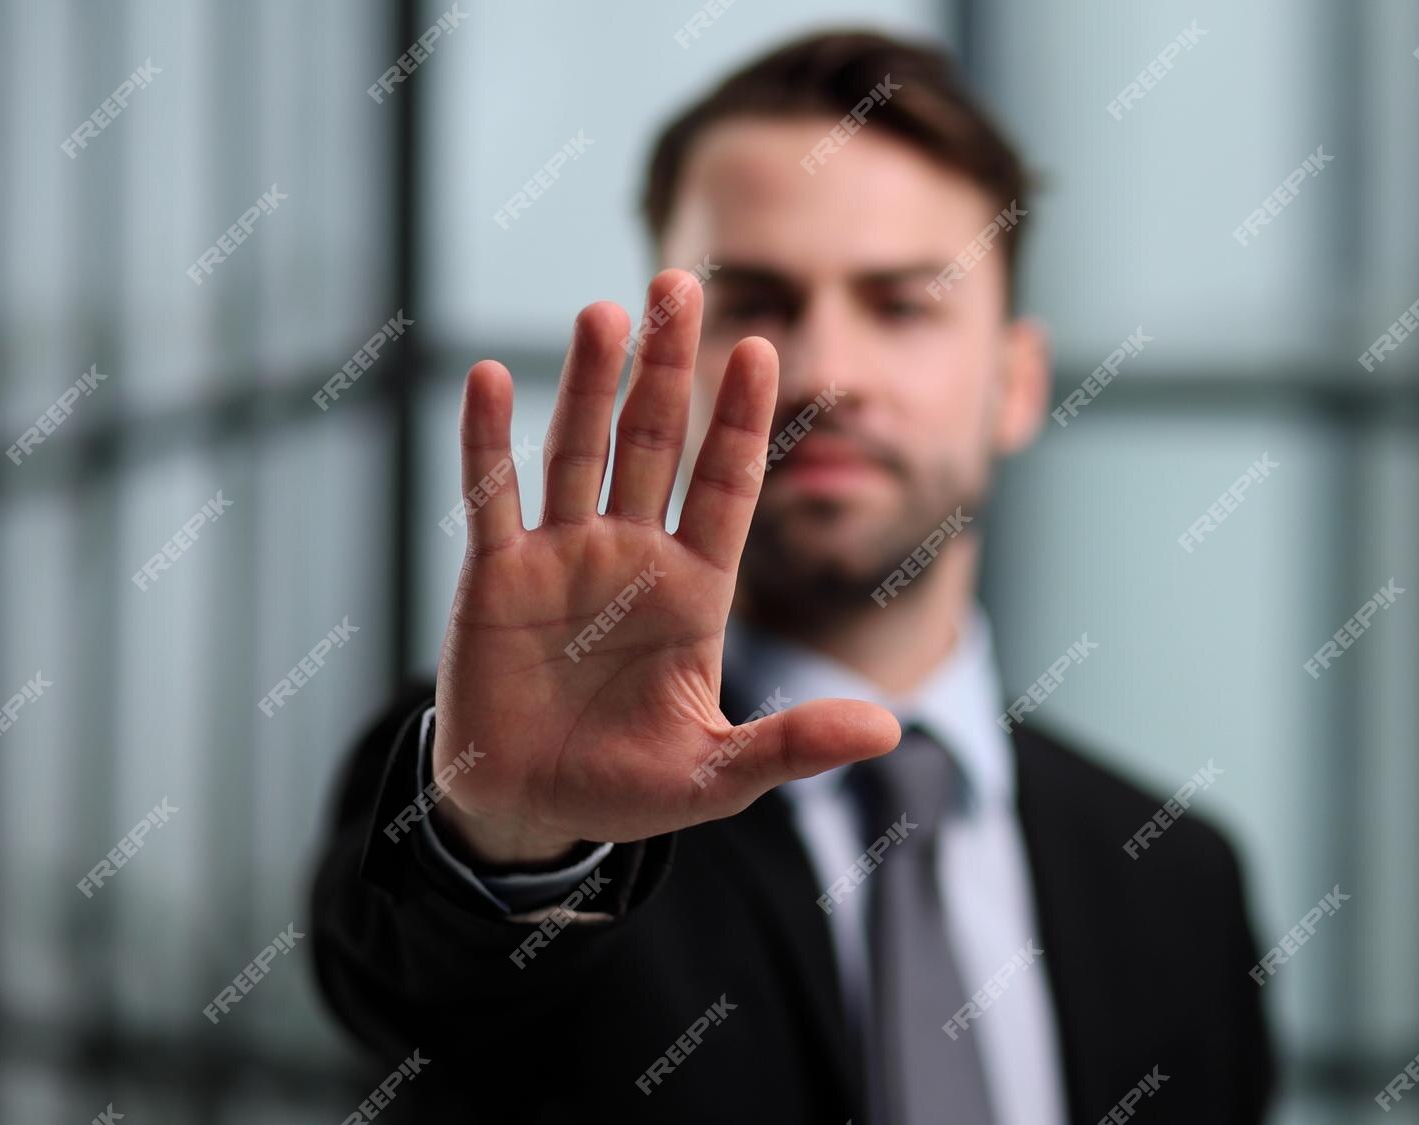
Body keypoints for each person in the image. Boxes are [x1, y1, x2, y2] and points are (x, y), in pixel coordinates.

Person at [310, 28, 1275, 1124]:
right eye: (755, 303)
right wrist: (518, 850)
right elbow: (418, 989)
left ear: (1014, 383)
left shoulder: (1177, 885)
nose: (822, 373)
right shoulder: (507, 781)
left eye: (903, 304)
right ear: (660, 371)